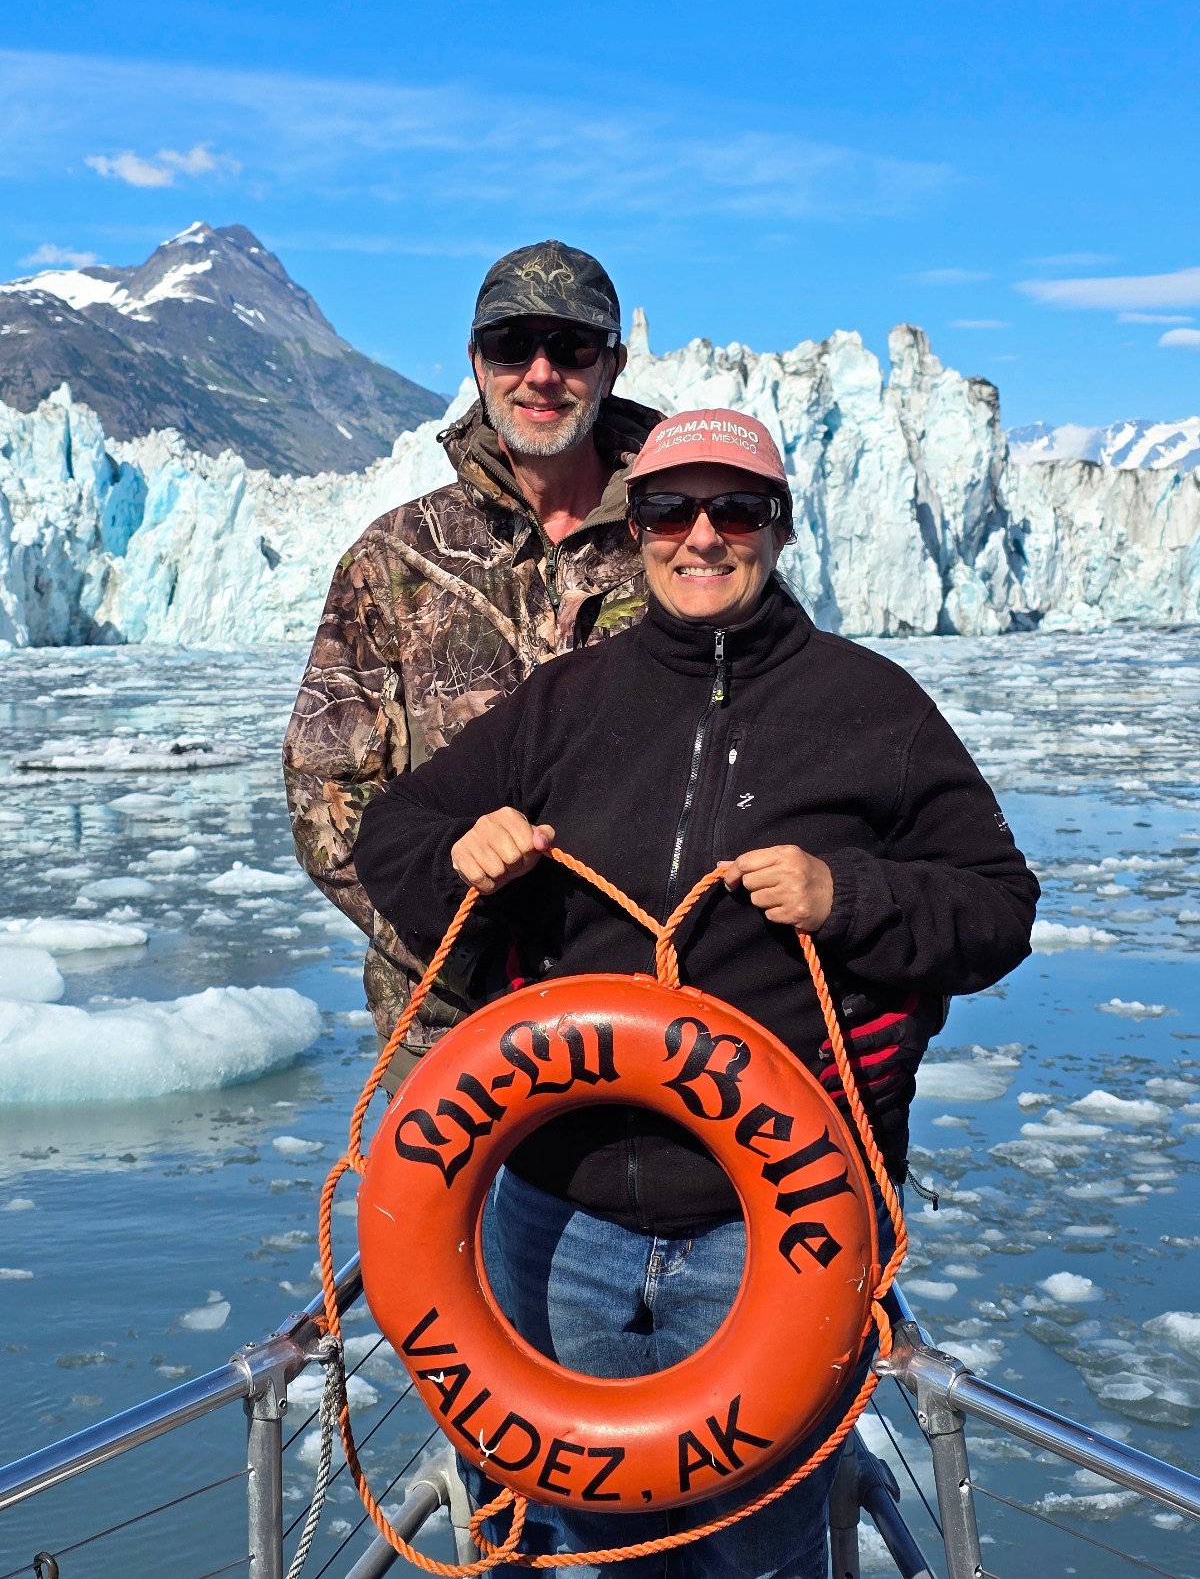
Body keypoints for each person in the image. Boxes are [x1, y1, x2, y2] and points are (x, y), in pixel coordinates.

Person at [354, 409, 1040, 1578]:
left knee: (762, 1547)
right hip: (560, 1219)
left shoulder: (874, 709)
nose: (703, 537)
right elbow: (394, 835)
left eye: (737, 511)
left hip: (769, 1231)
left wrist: (850, 892)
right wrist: (460, 852)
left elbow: (996, 907)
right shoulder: (566, 703)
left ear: (778, 530)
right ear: (639, 531)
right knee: (576, 1542)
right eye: (672, 511)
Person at [282, 241, 662, 1081]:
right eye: (510, 345)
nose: (540, 373)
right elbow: (326, 787)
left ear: (613, 364)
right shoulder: (395, 559)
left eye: (571, 347)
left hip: (654, 1022)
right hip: (451, 1034)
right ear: (475, 362)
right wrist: (450, 928)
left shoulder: (689, 547)